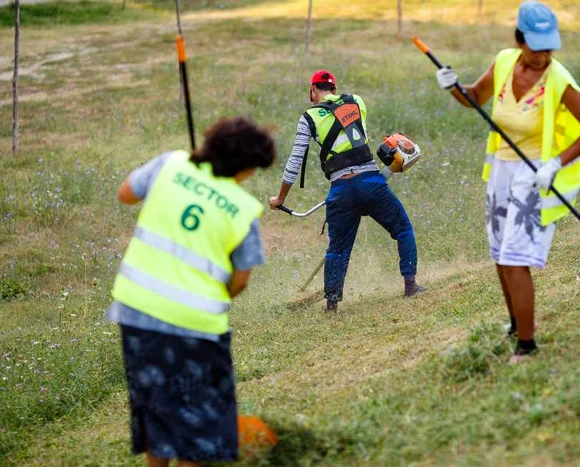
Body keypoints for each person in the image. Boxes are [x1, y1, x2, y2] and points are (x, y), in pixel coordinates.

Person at [434, 1, 580, 362]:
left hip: (534, 175)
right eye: (537, 46)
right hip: (501, 170)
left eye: (549, 47)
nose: (544, 55)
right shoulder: (505, 61)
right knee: (499, 255)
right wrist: (453, 87)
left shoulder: (558, 79)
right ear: (519, 39)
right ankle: (516, 325)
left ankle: (526, 347)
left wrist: (556, 163)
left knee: (515, 258)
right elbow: (475, 98)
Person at [106, 117, 275, 466]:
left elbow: (125, 194)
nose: (253, 175)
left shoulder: (170, 163)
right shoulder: (242, 209)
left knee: (157, 407)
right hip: (196, 325)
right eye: (253, 168)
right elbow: (240, 281)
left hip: (137, 313)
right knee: (200, 421)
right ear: (243, 166)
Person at [269, 70, 425, 311]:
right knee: (403, 229)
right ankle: (411, 286)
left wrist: (280, 199)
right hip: (372, 183)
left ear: (313, 90)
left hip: (341, 190)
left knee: (337, 250)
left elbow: (294, 162)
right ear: (334, 87)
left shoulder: (308, 117)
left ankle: (332, 306)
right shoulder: (357, 101)